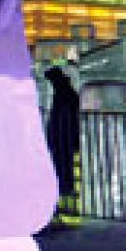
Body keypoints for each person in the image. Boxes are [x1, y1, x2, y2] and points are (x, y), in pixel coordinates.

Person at [43, 64, 80, 206]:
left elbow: (61, 116)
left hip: (63, 136)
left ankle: (64, 188)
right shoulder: (66, 93)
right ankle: (64, 188)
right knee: (63, 163)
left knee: (62, 162)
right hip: (63, 135)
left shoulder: (63, 94)